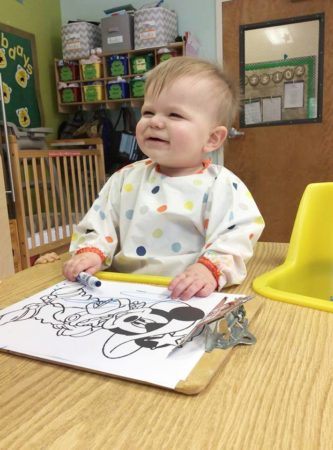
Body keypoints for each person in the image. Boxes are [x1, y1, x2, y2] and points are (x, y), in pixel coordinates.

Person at [63, 56, 264, 300]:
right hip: (120, 288)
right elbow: (100, 222)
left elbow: (237, 234)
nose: (155, 122)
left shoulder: (221, 185)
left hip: (186, 292)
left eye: (175, 115)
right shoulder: (124, 179)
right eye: (148, 111)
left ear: (212, 139)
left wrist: (208, 269)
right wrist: (92, 251)